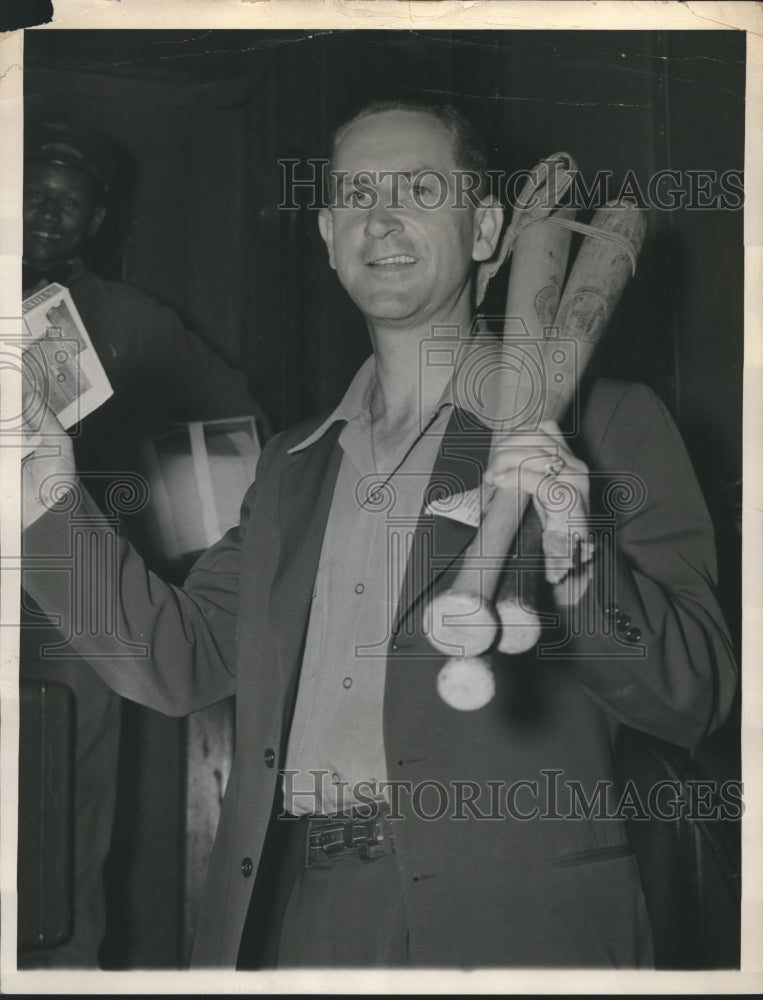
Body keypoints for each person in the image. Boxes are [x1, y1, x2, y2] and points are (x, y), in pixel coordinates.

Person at [20, 101, 737, 968]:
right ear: (327, 236)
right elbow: (176, 662)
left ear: (485, 229)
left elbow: (691, 695)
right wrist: (40, 492)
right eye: (355, 193)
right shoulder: (291, 469)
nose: (380, 215)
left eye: (419, 189)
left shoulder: (606, 424)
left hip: (517, 927)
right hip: (302, 917)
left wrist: (572, 548)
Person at [19, 121, 269, 968]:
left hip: (66, 609)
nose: (48, 214)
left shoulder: (125, 319)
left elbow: (235, 416)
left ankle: (58, 974)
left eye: (70, 202)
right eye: (33, 191)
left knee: (62, 822)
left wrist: (178, 543)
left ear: (95, 223)